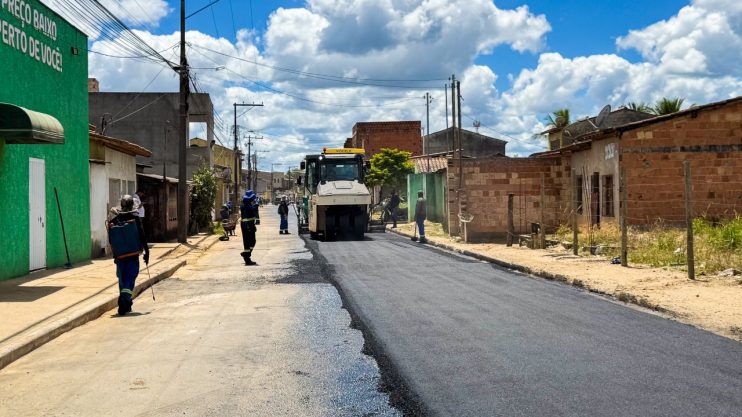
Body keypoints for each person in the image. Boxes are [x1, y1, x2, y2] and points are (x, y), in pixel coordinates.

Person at [108, 195, 149, 315]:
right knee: (130, 278)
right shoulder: (135, 218)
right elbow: (142, 235)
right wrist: (147, 252)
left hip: (120, 257)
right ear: (132, 205)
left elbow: (111, 239)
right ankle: (124, 300)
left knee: (122, 279)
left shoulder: (114, 220)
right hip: (132, 255)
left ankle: (126, 304)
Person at [240, 190, 259, 266]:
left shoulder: (247, 205)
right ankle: (247, 258)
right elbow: (247, 217)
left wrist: (253, 226)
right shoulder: (246, 206)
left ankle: (246, 255)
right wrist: (249, 227)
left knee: (252, 242)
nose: (253, 199)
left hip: (249, 225)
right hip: (247, 225)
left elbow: (252, 216)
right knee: (248, 242)